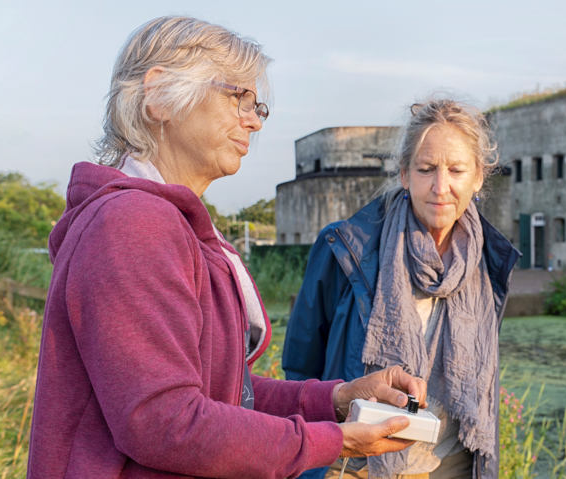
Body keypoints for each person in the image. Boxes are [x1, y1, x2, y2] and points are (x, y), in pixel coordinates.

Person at [27, 16, 427, 479]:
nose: (254, 121)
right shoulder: (131, 225)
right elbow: (164, 421)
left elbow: (221, 393)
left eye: (259, 107)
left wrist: (337, 400)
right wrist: (329, 442)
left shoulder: (172, 225)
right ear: (158, 95)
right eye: (239, 96)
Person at [283, 99, 521, 479]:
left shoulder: (489, 261)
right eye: (426, 169)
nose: (440, 187)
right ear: (405, 174)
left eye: (456, 170)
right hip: (354, 466)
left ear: (478, 177)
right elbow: (300, 368)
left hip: (452, 466)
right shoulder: (345, 248)